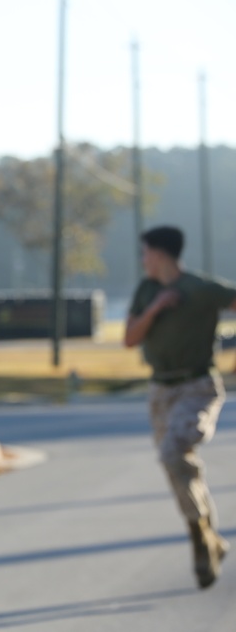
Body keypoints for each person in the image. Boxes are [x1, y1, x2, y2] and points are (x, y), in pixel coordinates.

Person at [125, 224, 235, 589]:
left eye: (145, 253)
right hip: (160, 391)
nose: (143, 259)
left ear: (159, 253)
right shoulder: (147, 290)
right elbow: (129, 338)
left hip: (197, 386)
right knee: (177, 467)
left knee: (174, 452)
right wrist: (155, 308)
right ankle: (208, 538)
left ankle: (200, 541)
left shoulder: (201, 289)